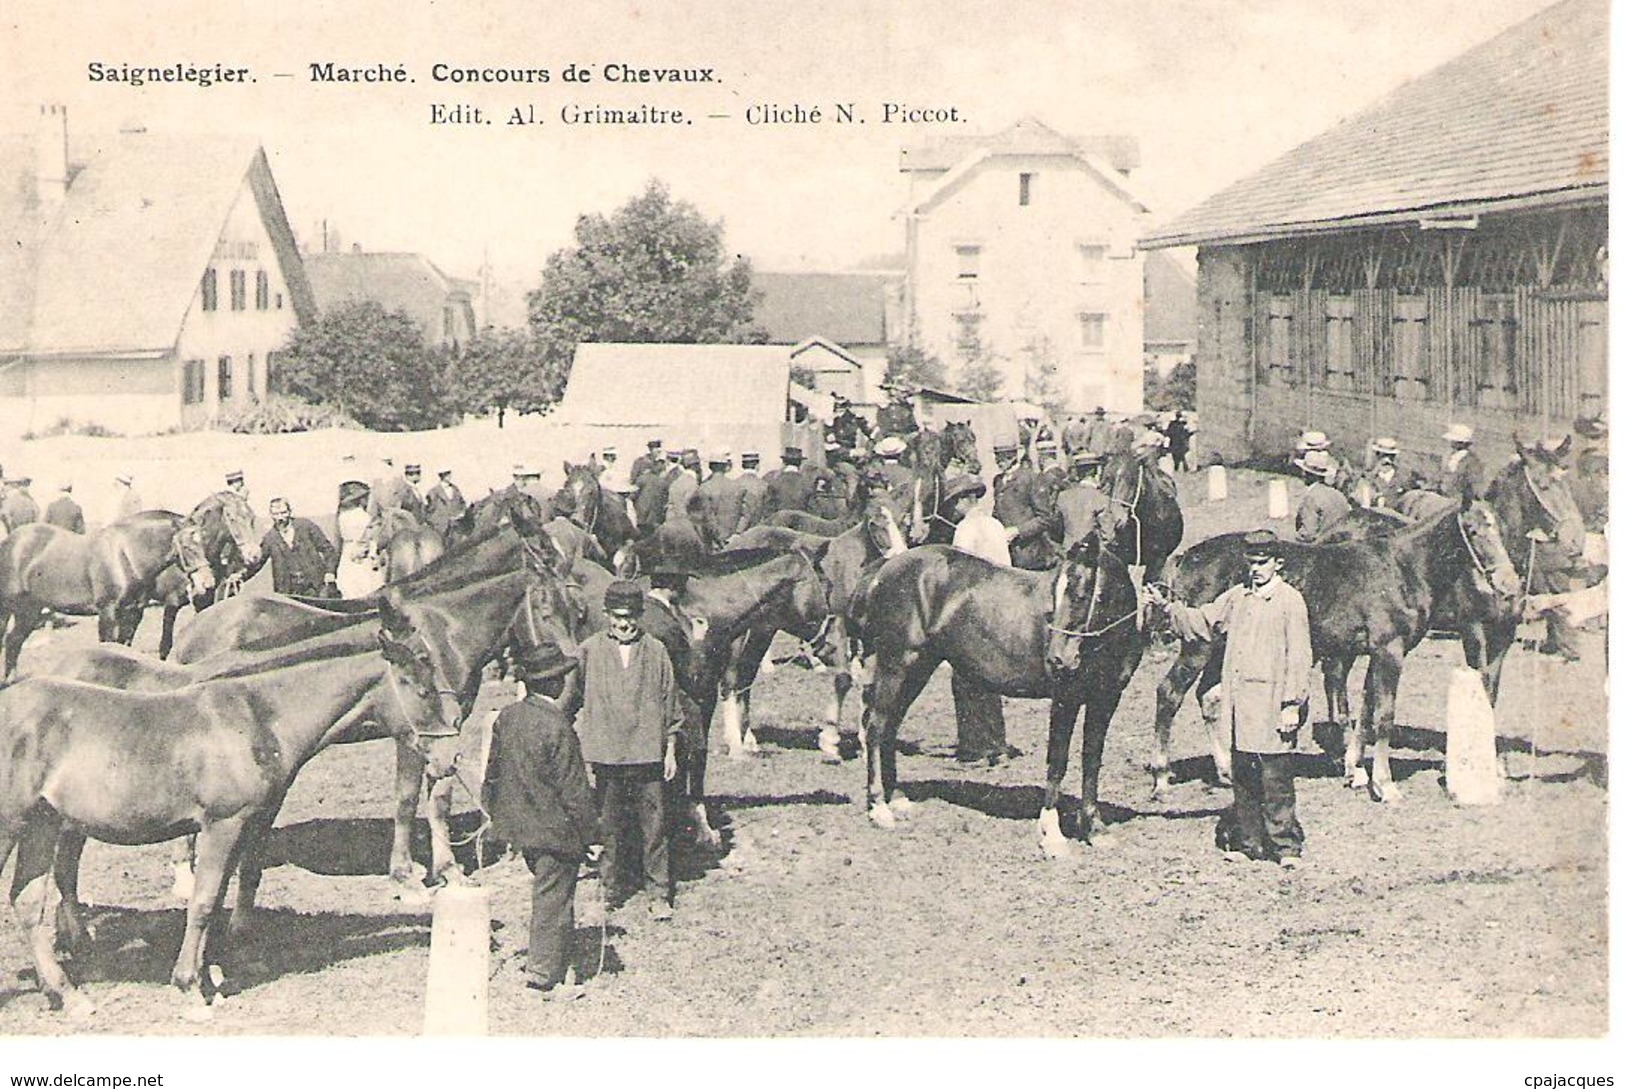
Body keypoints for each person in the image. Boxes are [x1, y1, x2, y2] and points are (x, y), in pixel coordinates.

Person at [1152, 528, 1312, 868]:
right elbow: (1203, 621)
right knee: (1244, 778)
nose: (1256, 569)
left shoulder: (1289, 602)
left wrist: (1291, 705)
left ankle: (1285, 848)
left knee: (1276, 779)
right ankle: (1248, 842)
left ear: (1278, 564)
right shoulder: (1237, 598)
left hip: (1272, 705)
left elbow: (1299, 657)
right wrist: (1169, 608)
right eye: (1251, 563)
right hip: (1241, 707)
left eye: (1263, 563)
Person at [482, 653, 602, 1001]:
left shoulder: (507, 716)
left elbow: (492, 774)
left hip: (521, 829)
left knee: (551, 894)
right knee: (553, 900)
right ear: (557, 683)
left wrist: (496, 816)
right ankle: (542, 974)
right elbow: (575, 791)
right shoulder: (558, 726)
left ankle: (558, 964)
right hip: (556, 832)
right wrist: (592, 837)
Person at [574, 581, 684, 920]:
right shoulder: (590, 650)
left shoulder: (656, 651)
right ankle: (608, 889)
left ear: (641, 616)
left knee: (654, 827)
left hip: (647, 753)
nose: (625, 625)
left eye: (632, 617)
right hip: (606, 755)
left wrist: (670, 750)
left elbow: (671, 704)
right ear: (607, 616)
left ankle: (658, 892)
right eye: (618, 618)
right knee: (608, 826)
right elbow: (575, 698)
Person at [942, 475, 1017, 764]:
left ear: (964, 501)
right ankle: (997, 744)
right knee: (990, 678)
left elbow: (959, 571)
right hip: (1000, 601)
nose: (954, 509)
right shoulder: (995, 525)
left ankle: (974, 747)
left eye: (954, 503)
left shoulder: (965, 528)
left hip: (974, 607)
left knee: (965, 678)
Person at [254, 498, 339, 596]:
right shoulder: (269, 538)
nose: (280, 518)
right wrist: (240, 575)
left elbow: (327, 549)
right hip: (288, 590)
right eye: (276, 514)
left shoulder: (305, 526)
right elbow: (257, 562)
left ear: (290, 512)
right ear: (271, 515)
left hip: (315, 585)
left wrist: (330, 572)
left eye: (283, 513)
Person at [992, 441, 1056, 570]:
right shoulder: (998, 481)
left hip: (1029, 554)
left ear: (1014, 457)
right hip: (1004, 553)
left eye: (1004, 456)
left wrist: (1018, 531)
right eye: (997, 456)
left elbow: (1046, 518)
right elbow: (997, 512)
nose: (999, 460)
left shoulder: (1031, 478)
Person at [1053, 452, 1113, 554]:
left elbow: (1056, 530)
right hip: (1091, 558)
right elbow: (1108, 535)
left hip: (1068, 554)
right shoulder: (1102, 499)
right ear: (1095, 471)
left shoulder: (1063, 496)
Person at [1293, 450, 1350, 543]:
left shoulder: (1311, 497)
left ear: (1305, 473)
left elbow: (1308, 534)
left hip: (1321, 551)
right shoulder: (1338, 494)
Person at [694, 451, 745, 550]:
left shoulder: (703, 488)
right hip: (735, 542)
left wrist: (719, 538)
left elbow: (708, 517)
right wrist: (737, 534)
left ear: (710, 467)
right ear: (726, 467)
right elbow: (745, 514)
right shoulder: (738, 487)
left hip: (713, 543)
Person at [1438, 424, 1485, 502]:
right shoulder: (1450, 456)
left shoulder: (1471, 461)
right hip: (1444, 496)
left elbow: (1473, 484)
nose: (1451, 443)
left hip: (1459, 499)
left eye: (1455, 441)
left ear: (1462, 443)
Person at [764, 446, 816, 514]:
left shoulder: (775, 482)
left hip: (779, 522)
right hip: (801, 522)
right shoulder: (807, 483)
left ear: (784, 462)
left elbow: (768, 509)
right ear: (800, 463)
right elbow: (812, 510)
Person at [1361, 438, 1406, 510]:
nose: (1386, 460)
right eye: (1383, 455)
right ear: (1377, 456)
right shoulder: (1369, 478)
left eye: (1390, 456)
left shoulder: (1400, 477)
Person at [424, 468, 468, 536]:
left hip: (457, 526)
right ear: (441, 476)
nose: (448, 476)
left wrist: (461, 514)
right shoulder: (433, 492)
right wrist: (439, 521)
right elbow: (429, 510)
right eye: (445, 474)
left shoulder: (455, 489)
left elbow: (462, 503)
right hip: (440, 528)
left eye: (449, 473)